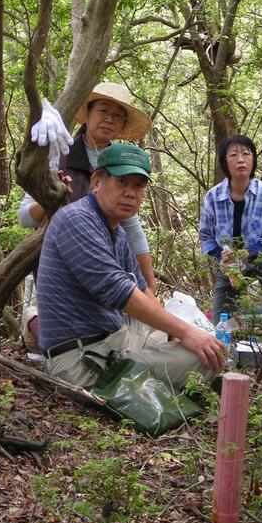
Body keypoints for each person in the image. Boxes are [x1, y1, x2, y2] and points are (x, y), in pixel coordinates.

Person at [37, 143, 225, 389]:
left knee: (189, 334)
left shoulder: (115, 230)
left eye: (138, 185)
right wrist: (186, 333)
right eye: (122, 182)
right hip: (82, 360)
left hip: (112, 340)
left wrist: (178, 331)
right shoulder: (76, 220)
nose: (130, 193)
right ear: (97, 182)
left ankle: (161, 366)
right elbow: (119, 292)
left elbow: (143, 291)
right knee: (204, 359)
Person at [18, 82, 156, 350]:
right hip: (57, 262)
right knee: (60, 331)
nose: (109, 119)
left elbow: (132, 227)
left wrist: (149, 282)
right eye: (104, 110)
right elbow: (25, 217)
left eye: (118, 115)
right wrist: (53, 195)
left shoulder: (123, 161)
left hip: (101, 262)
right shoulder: (59, 153)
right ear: (88, 113)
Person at [199, 134, 262, 324]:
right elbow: (205, 236)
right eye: (233, 155)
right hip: (228, 265)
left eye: (246, 154)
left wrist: (250, 252)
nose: (240, 160)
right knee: (220, 324)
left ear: (253, 159)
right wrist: (221, 257)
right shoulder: (213, 197)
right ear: (225, 162)